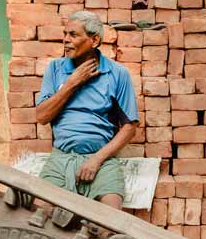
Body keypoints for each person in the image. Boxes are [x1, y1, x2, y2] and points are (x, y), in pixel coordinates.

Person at [35, 11, 139, 209]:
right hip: (61, 158)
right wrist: (72, 83)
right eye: (65, 34)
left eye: (73, 35)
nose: (66, 40)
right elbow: (41, 116)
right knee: (40, 212)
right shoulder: (55, 69)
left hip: (101, 160)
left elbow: (130, 127)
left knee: (110, 218)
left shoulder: (117, 73)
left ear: (94, 40)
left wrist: (96, 160)